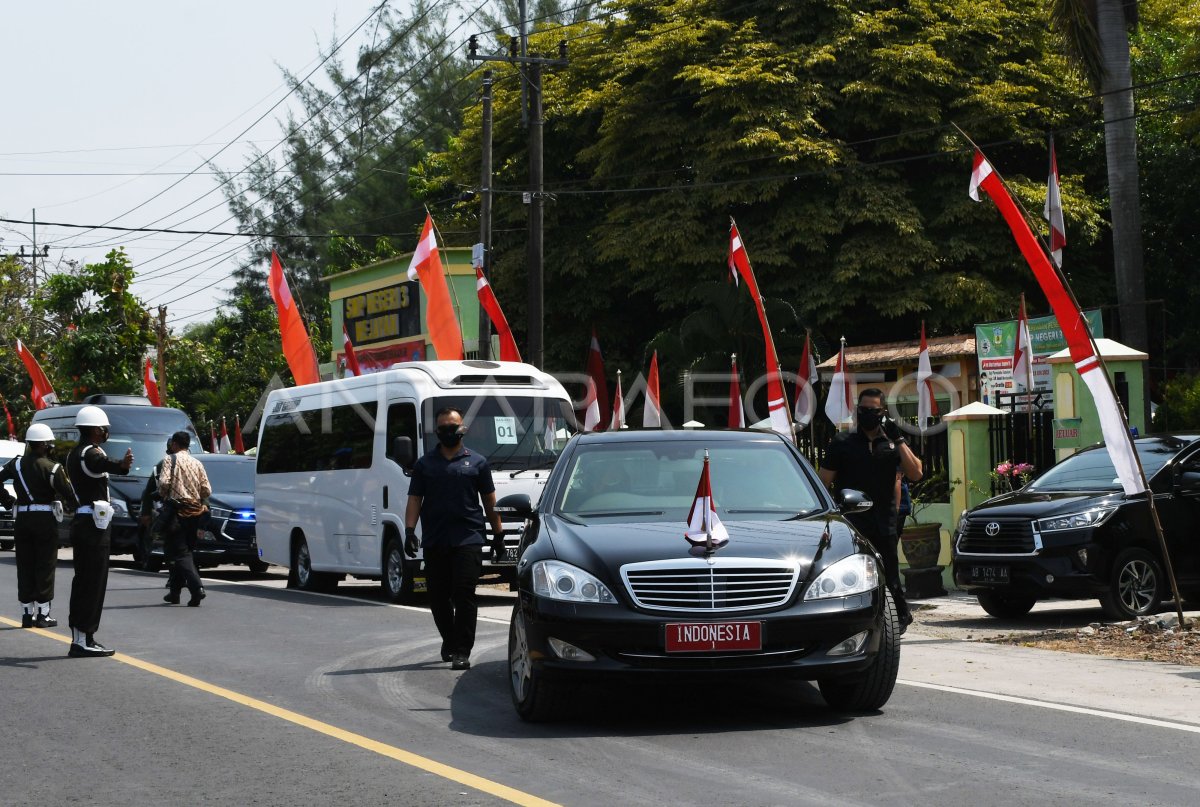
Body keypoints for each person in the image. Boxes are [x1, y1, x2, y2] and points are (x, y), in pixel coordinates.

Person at [404, 407, 504, 670]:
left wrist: (498, 535)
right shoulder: (425, 464)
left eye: (453, 427)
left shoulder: (478, 463)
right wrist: (409, 531)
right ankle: (449, 640)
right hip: (436, 540)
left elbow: (490, 502)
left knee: (464, 593)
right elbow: (415, 499)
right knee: (437, 597)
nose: (449, 432)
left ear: (462, 429)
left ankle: (462, 650)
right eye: (443, 428)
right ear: (437, 432)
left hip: (468, 538)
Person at [819, 388, 923, 633]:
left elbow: (915, 473)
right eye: (863, 410)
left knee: (890, 577)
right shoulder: (842, 443)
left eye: (873, 411)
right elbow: (823, 482)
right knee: (851, 575)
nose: (867, 415)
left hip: (884, 521)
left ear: (883, 412)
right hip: (851, 525)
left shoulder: (891, 443)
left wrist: (899, 440)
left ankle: (897, 621)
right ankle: (849, 622)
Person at [64, 405, 133, 657]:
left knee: (86, 581)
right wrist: (122, 465)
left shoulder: (76, 453)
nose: (106, 433)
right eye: (104, 429)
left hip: (89, 524)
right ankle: (83, 638)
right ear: (95, 430)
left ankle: (82, 637)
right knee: (92, 583)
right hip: (93, 527)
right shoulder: (88, 454)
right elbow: (102, 463)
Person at [0, 423, 79, 628]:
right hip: (45, 520)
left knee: (25, 565)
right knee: (44, 565)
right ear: (44, 444)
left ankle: (26, 614)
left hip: (23, 520)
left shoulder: (15, 465)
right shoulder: (53, 468)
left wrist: (8, 501)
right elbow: (69, 494)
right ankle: (43, 615)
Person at [157, 431, 211, 607]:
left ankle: (197, 588)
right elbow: (206, 490)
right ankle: (175, 592)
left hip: (177, 511)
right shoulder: (197, 462)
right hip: (195, 512)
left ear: (174, 444)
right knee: (184, 551)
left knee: (180, 553)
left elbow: (164, 482)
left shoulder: (169, 460)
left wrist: (164, 495)